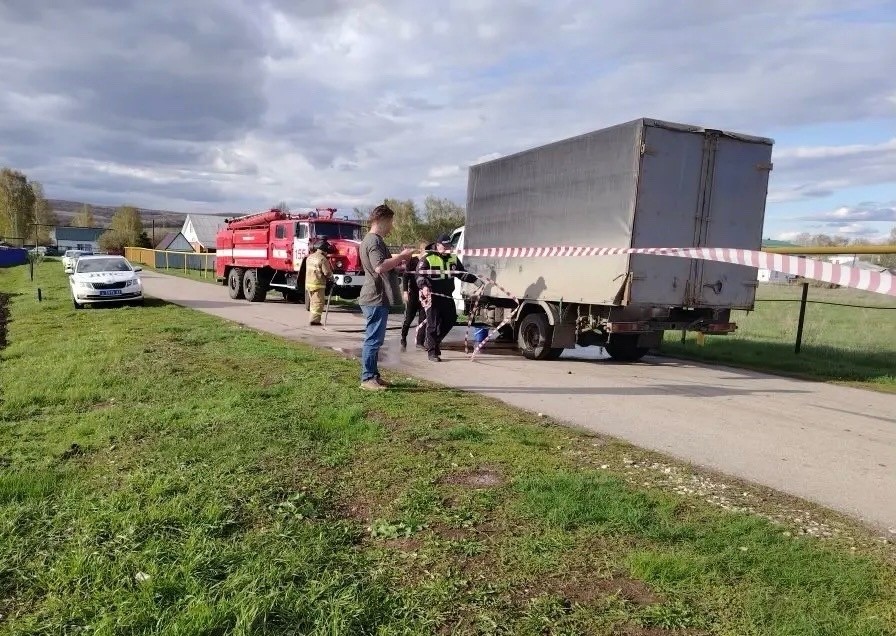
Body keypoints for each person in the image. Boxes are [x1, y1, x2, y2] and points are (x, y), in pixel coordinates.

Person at [358, 204, 414, 390]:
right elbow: (380, 267)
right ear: (382, 221)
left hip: (376, 297)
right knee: (373, 340)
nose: (391, 227)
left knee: (376, 339)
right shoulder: (374, 241)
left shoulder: (371, 240)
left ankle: (373, 375)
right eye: (390, 222)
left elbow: (382, 266)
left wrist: (399, 262)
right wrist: (402, 256)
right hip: (375, 297)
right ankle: (367, 379)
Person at [416, 233, 477, 362]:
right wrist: (424, 286)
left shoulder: (453, 259)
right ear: (437, 246)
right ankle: (432, 352)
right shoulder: (428, 258)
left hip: (447, 296)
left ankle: (434, 343)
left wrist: (476, 280)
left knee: (450, 320)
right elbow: (419, 275)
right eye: (444, 246)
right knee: (433, 324)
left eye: (449, 246)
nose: (447, 248)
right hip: (432, 296)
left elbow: (461, 273)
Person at [400, 241, 429, 351]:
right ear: (421, 251)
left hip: (425, 295)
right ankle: (403, 339)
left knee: (423, 319)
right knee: (408, 319)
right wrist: (405, 291)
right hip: (413, 294)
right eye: (426, 252)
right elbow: (405, 276)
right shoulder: (413, 261)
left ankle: (420, 342)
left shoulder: (429, 262)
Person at [305, 238, 334, 326]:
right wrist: (332, 279)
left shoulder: (310, 257)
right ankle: (315, 321)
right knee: (318, 303)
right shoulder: (322, 259)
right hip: (318, 284)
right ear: (324, 250)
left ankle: (313, 318)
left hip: (309, 284)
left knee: (313, 303)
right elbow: (327, 272)